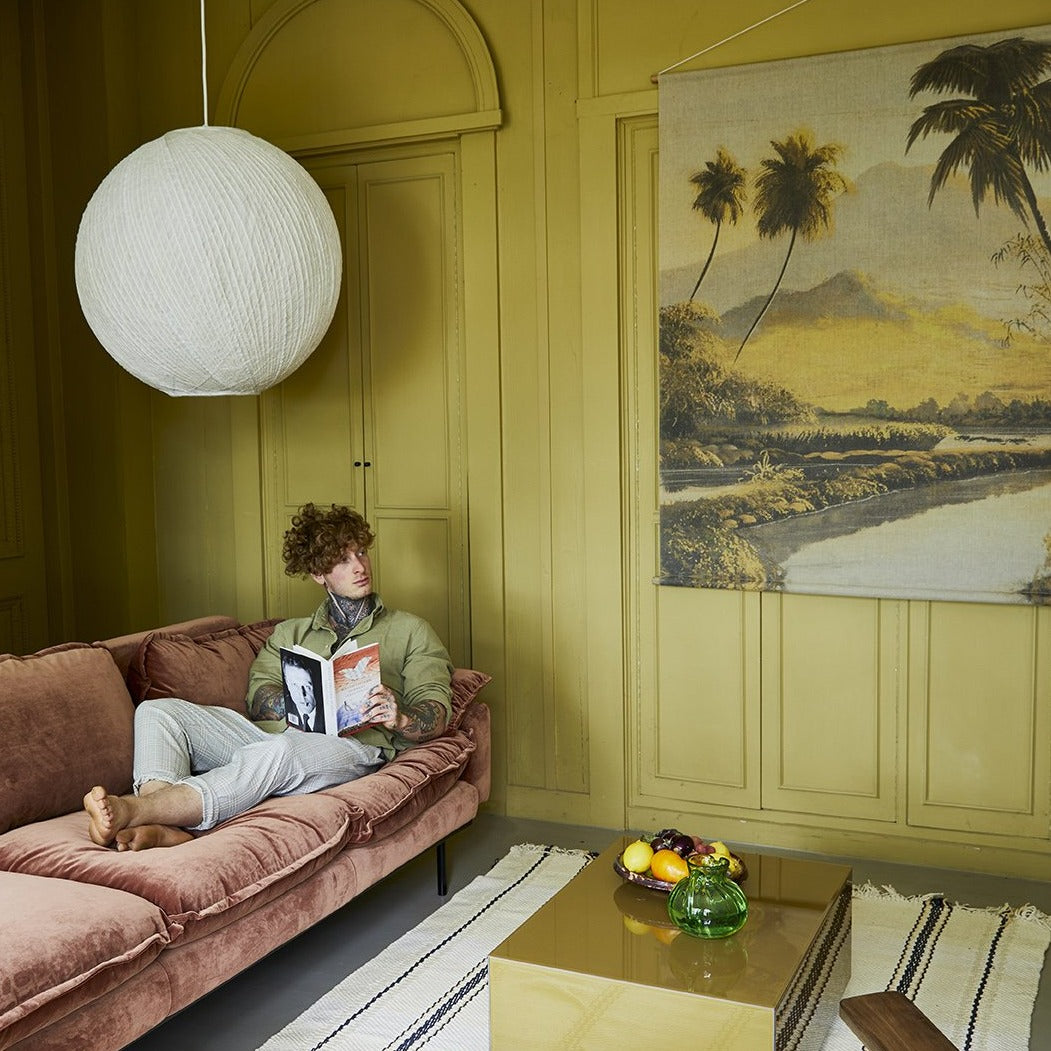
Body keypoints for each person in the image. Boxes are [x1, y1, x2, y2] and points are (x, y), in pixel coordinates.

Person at [84, 503, 453, 851]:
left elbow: (436, 711)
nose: (359, 566)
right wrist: (301, 700)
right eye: (342, 559)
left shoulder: (411, 630)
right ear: (318, 574)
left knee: (281, 751)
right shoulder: (290, 634)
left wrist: (400, 715)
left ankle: (136, 809)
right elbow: (259, 697)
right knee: (158, 712)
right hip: (274, 734)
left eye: (361, 553)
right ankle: (169, 825)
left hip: (356, 748)